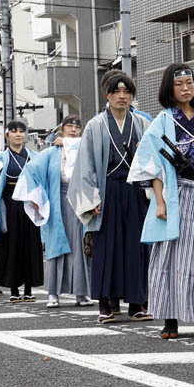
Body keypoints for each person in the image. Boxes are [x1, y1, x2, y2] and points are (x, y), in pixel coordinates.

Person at [130, 64, 194, 340]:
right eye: (180, 84)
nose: (186, 88)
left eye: (190, 82)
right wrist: (159, 202)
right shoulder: (162, 121)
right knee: (172, 257)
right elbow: (154, 165)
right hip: (177, 195)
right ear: (169, 89)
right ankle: (170, 319)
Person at [69, 71, 152, 324]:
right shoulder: (96, 125)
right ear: (107, 95)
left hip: (136, 191)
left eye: (127, 92)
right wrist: (92, 198)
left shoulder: (141, 124)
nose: (122, 96)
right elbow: (86, 166)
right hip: (107, 192)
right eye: (116, 92)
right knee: (107, 247)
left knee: (136, 247)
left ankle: (136, 302)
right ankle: (105, 303)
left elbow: (152, 159)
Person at [0, 119, 44, 303]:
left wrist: (39, 202)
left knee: (30, 246)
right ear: (7, 136)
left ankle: (28, 289)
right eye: (14, 131)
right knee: (11, 246)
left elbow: (42, 183)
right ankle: (13, 289)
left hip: (30, 205)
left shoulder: (35, 156)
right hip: (9, 205)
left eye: (21, 131)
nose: (18, 134)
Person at [42, 117, 91, 307]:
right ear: (61, 129)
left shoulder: (83, 148)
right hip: (57, 198)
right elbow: (33, 173)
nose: (73, 130)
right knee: (56, 244)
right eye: (69, 126)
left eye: (77, 127)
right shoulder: (50, 153)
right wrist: (36, 198)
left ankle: (81, 293)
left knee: (80, 245)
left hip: (79, 198)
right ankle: (53, 293)